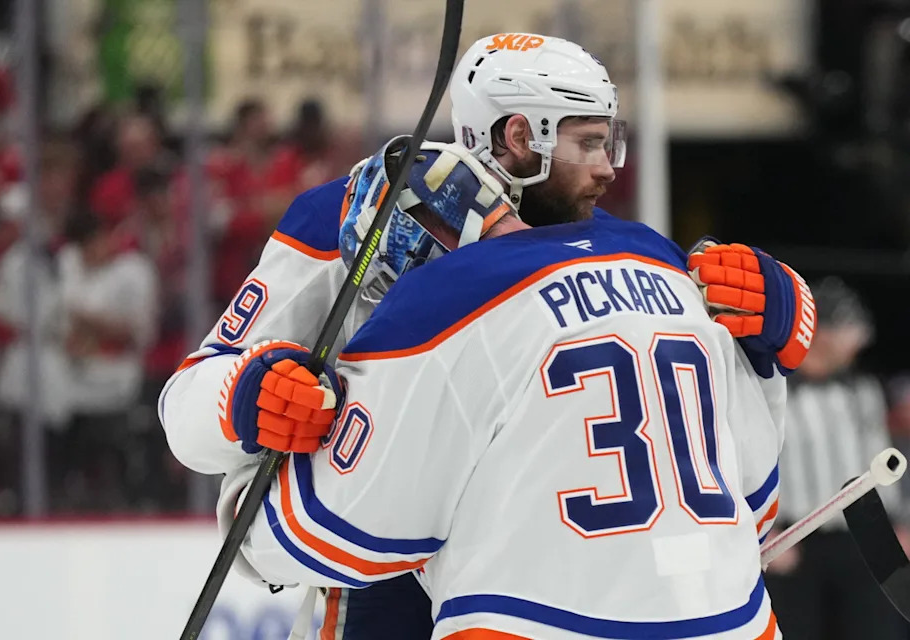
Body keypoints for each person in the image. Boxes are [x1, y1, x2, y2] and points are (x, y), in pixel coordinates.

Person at [161, 34, 808, 640]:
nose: (609, 168)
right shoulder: (347, 215)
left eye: (610, 140)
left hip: (517, 578)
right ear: (519, 137)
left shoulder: (604, 247)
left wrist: (772, 322)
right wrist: (243, 397)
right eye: (587, 143)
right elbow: (187, 401)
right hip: (374, 579)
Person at [763, 278, 906, 640]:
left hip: (868, 534)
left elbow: (893, 457)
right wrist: (761, 533)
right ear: (822, 332)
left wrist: (904, 522)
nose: (859, 341)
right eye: (850, 329)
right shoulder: (773, 390)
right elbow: (746, 461)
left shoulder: (864, 388)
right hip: (796, 540)